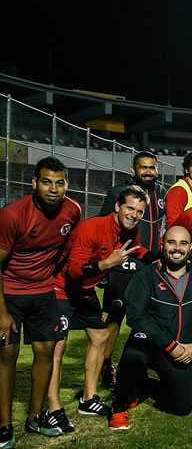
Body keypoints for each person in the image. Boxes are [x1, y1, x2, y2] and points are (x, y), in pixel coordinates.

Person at [48, 186, 147, 430]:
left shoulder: (130, 232)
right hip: (61, 287)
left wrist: (163, 257)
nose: (134, 215)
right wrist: (106, 264)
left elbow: (139, 252)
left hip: (84, 290)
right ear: (117, 207)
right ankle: (52, 407)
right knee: (57, 345)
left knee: (100, 335)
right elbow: (74, 271)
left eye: (139, 212)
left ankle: (88, 398)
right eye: (130, 208)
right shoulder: (91, 227)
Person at [0, 157, 81, 443]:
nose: (53, 189)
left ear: (67, 185)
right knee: (7, 355)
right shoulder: (12, 215)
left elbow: (62, 252)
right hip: (8, 292)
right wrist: (1, 312)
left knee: (45, 352)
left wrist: (47, 281)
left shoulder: (73, 211)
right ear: (34, 183)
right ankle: (4, 427)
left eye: (60, 183)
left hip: (43, 292)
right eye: (46, 182)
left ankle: (34, 419)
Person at [107, 226, 192, 429]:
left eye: (183, 243)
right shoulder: (146, 275)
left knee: (181, 407)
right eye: (171, 242)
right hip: (151, 344)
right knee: (132, 356)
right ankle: (119, 407)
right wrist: (170, 344)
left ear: (191, 247)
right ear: (162, 245)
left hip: (184, 349)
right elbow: (136, 316)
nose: (177, 248)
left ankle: (143, 385)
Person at [97, 151, 166, 390]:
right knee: (115, 318)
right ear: (133, 170)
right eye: (143, 167)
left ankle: (140, 365)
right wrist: (106, 268)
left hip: (149, 266)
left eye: (151, 168)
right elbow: (103, 229)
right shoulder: (118, 193)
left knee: (147, 319)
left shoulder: (160, 193)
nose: (148, 171)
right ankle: (105, 366)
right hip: (123, 267)